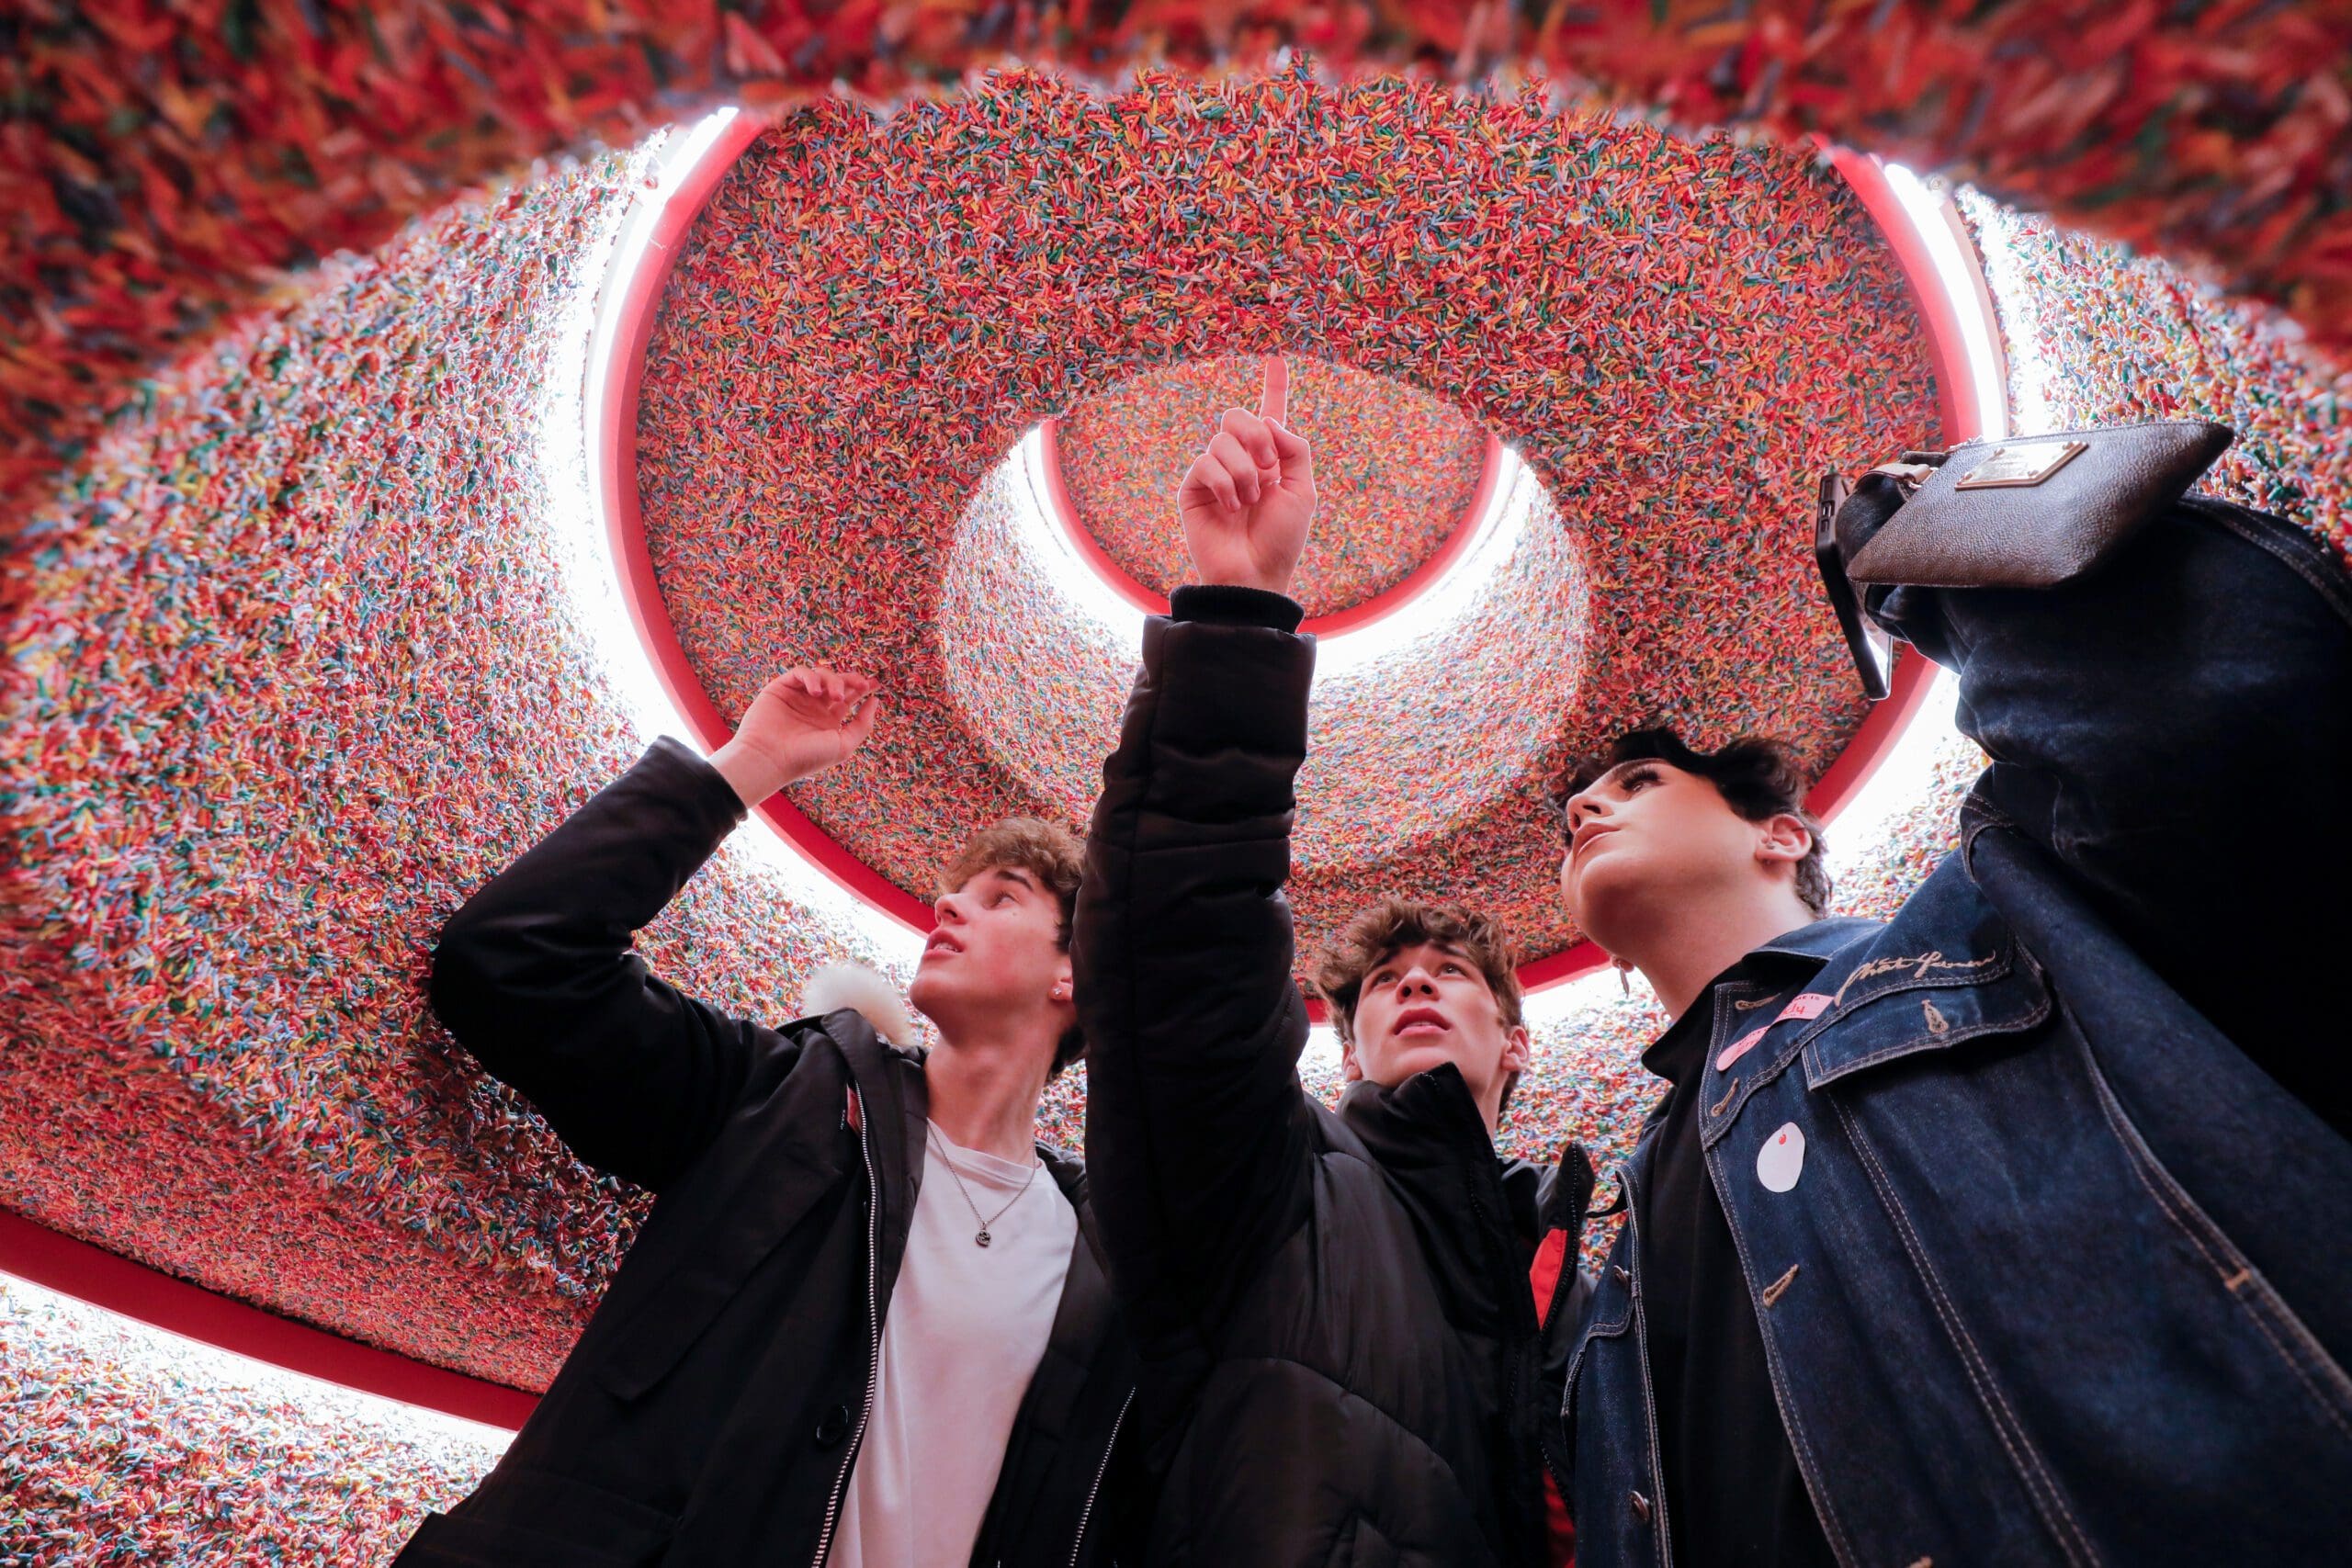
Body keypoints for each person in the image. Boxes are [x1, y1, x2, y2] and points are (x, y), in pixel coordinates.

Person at [1553, 459, 2352, 1566]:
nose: (1583, 805)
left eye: (1636, 782)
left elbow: (2226, 686)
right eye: (1576, 814)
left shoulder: (1989, 922)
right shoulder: (1615, 1253)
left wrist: (1909, 532)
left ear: (1781, 834)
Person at [395, 669, 1140, 1568]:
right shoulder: (787, 1095)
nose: (947, 904)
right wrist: (749, 764)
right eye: (959, 890)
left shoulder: (1105, 1258)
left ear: (1075, 975)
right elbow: (514, 960)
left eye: (1003, 896)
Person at [1074, 375, 1589, 1568]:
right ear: (1347, 1045)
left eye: (1452, 972)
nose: (1413, 984)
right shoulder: (1277, 1181)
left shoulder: (1595, 1269)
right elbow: (1177, 955)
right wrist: (1239, 611)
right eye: (1381, 982)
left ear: (1518, 1039)